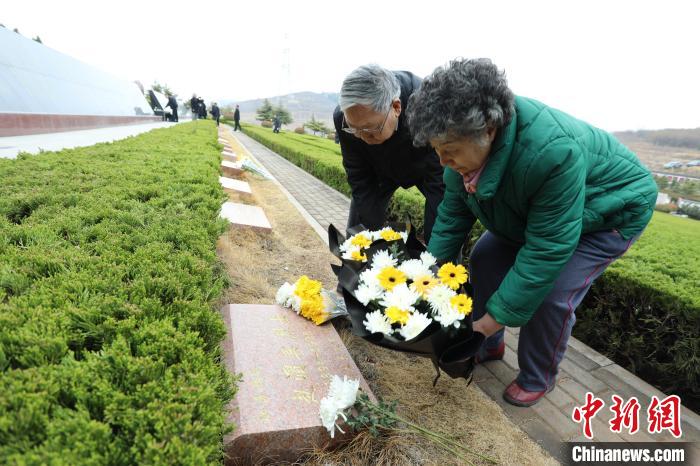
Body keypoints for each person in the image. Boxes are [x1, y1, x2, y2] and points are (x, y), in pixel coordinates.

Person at [406, 58, 657, 407]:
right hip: (545, 213)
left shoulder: (553, 153)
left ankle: (538, 376)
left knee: (551, 295)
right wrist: (427, 279)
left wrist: (485, 324)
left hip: (611, 210)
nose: (443, 161)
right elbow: (451, 216)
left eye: (449, 152)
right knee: (485, 258)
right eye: (437, 152)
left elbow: (546, 248)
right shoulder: (462, 155)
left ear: (489, 129)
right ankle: (490, 345)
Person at [333, 64, 445, 243]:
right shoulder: (344, 119)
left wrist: (438, 248)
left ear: (396, 107)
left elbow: (440, 177)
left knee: (443, 231)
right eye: (355, 129)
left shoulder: (428, 104)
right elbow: (358, 175)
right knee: (360, 235)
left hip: (426, 167)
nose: (363, 137)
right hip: (378, 171)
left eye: (371, 128)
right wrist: (371, 237)